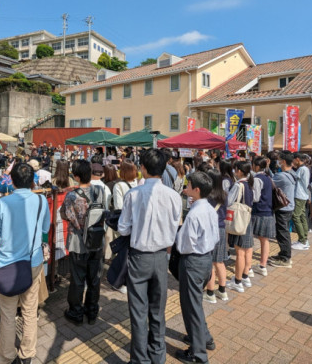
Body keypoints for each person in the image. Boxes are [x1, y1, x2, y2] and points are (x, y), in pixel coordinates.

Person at [118, 149, 182, 364]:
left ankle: (139, 360)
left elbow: (123, 228)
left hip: (139, 257)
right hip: (162, 256)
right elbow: (175, 227)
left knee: (138, 312)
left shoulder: (133, 195)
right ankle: (157, 355)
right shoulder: (174, 196)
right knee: (158, 309)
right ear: (164, 169)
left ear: (143, 168)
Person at [0, 163, 50, 364]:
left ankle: (6, 356)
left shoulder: (3, 203)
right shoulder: (42, 200)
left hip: (8, 263)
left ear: (13, 181)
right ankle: (27, 354)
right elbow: (45, 228)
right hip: (33, 262)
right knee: (29, 310)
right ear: (32, 181)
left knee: (8, 314)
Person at [175, 172, 219, 363]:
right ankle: (204, 337)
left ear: (197, 190)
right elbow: (215, 237)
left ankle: (198, 353)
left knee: (191, 306)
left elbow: (184, 245)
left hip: (193, 261)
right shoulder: (209, 208)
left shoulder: (194, 213)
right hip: (206, 259)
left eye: (189, 185)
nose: (186, 187)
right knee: (195, 303)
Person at [60, 160, 106, 324]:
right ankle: (92, 311)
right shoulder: (100, 191)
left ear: (77, 176)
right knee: (94, 278)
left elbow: (64, 215)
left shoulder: (72, 195)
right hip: (96, 241)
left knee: (78, 280)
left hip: (78, 242)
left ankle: (76, 312)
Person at [226, 161, 255, 293]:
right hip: (247, 218)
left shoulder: (238, 185)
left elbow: (229, 201)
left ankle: (237, 281)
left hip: (239, 220)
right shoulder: (250, 183)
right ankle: (245, 276)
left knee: (240, 253)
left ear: (238, 170)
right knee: (248, 249)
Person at [203, 169, 229, 304]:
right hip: (221, 229)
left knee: (210, 262)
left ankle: (210, 292)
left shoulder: (207, 195)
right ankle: (223, 291)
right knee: (219, 261)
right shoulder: (224, 194)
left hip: (210, 229)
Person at [269, 153, 296, 268]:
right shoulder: (292, 173)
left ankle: (285, 258)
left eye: (279, 160)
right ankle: (283, 254)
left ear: (284, 162)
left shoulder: (282, 176)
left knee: (282, 233)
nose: (278, 162)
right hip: (289, 206)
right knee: (283, 231)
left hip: (283, 208)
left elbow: (270, 182)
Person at [251, 156, 275, 278]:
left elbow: (255, 197)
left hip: (258, 212)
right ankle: (263, 266)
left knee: (250, 239)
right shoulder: (268, 177)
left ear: (257, 166)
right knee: (265, 240)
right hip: (268, 211)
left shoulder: (257, 179)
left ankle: (248, 267)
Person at [291, 153, 311, 251]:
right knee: (302, 216)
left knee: (295, 216)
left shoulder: (301, 169)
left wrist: (290, 168)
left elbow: (293, 177)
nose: (293, 162)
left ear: (297, 159)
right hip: (303, 195)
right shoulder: (305, 169)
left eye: (293, 160)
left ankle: (302, 240)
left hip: (299, 195)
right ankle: (304, 239)